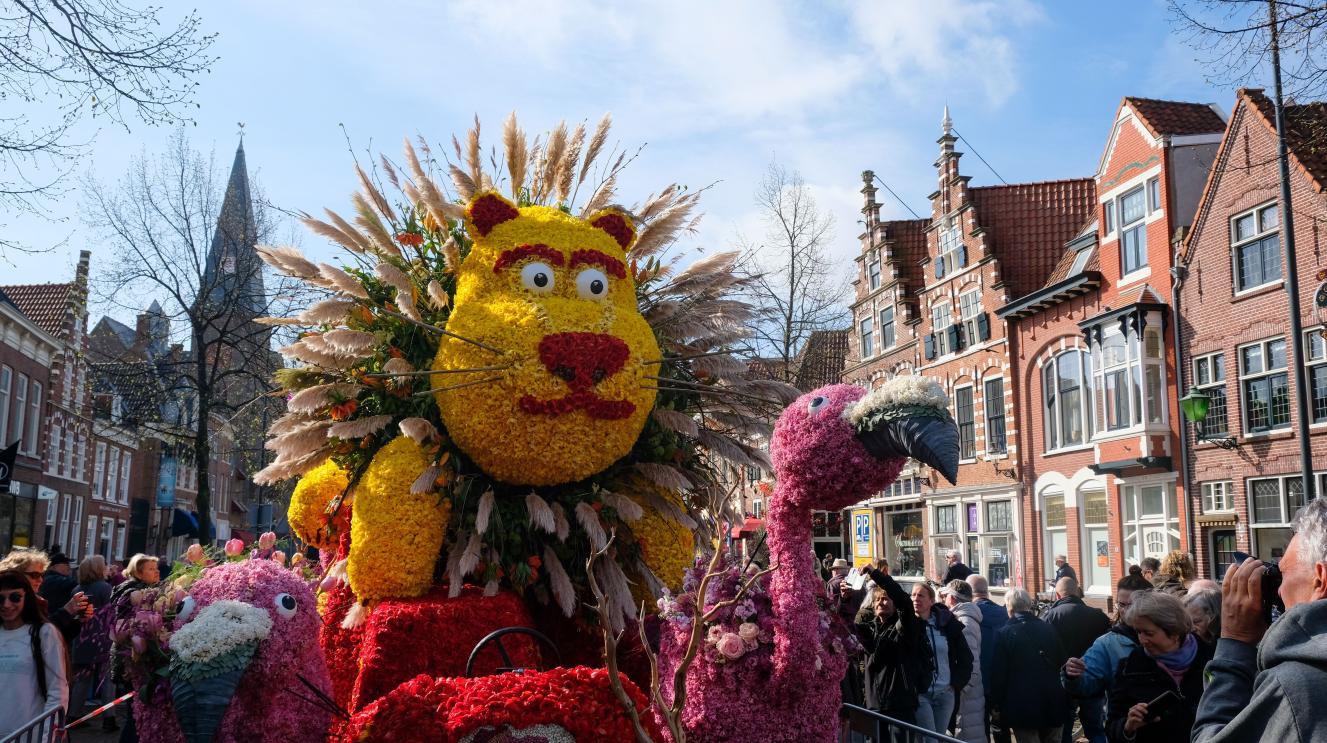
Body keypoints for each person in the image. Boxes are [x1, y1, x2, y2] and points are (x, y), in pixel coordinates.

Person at [1192, 497, 1327, 741]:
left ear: (1320, 578)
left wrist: (1234, 644)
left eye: (1282, 574)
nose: (1277, 591)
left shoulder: (1294, 688)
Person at [1103, 589, 1211, 743]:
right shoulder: (1131, 668)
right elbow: (1112, 728)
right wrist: (1128, 727)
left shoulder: (1212, 661)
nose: (1142, 640)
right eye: (1138, 632)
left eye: (1149, 633)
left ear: (1174, 632)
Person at [854, 567, 929, 736]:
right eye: (878, 600)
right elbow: (846, 625)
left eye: (886, 599)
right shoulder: (868, 631)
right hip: (873, 707)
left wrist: (876, 575)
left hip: (899, 707)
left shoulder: (904, 628)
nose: (881, 602)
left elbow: (904, 602)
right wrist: (844, 600)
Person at [1061, 566, 1153, 702]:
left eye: (1132, 605)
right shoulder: (1107, 643)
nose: (1126, 610)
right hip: (1125, 718)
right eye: (1121, 605)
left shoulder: (1167, 632)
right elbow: (1086, 685)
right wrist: (1072, 675)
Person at [989, 587, 1067, 743]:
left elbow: (999, 674)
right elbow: (1062, 662)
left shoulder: (1004, 634)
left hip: (1022, 706)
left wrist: (995, 704)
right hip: (1053, 701)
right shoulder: (1049, 628)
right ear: (1029, 605)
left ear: (1008, 607)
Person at [0, 570, 68, 736]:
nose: (7, 605)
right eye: (0, 598)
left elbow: (57, 690)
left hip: (28, 735)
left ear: (27, 598)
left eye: (15, 597)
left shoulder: (44, 633)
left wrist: (46, 735)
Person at [1042, 577, 1110, 743]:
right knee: (1096, 730)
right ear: (1078, 592)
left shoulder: (1050, 617)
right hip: (1093, 678)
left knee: (1065, 730)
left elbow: (1045, 651)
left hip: (1064, 682)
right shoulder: (1098, 616)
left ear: (1058, 595)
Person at [911, 582, 973, 738]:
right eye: (913, 595)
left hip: (945, 694)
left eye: (920, 595)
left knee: (938, 738)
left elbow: (966, 658)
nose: (915, 599)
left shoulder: (946, 623)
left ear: (931, 601)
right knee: (929, 739)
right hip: (921, 695)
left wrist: (954, 685)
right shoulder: (909, 625)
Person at [110, 554, 160, 743]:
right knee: (136, 712)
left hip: (134, 656)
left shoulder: (138, 589)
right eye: (150, 569)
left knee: (136, 712)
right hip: (133, 659)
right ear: (138, 572)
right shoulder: (132, 593)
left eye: (157, 568)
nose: (156, 572)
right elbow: (130, 627)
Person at [0, 548, 88, 644]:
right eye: (34, 575)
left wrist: (79, 621)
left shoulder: (38, 602)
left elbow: (53, 639)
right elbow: (36, 634)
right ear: (17, 574)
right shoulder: (9, 602)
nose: (40, 580)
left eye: (41, 575)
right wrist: (67, 610)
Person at [72, 556, 117, 731]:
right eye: (104, 565)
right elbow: (112, 612)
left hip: (82, 639)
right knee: (107, 680)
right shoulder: (105, 588)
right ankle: (109, 719)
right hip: (102, 640)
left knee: (82, 679)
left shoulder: (76, 589)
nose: (106, 567)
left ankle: (74, 715)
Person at [940, 580, 984, 743]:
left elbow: (971, 664)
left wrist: (955, 692)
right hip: (968, 696)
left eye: (945, 596)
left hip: (965, 699)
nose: (943, 599)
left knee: (967, 736)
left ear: (952, 598)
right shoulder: (965, 618)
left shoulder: (964, 622)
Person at [967, 574, 1009, 742]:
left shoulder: (969, 618)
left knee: (980, 726)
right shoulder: (1005, 614)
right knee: (1001, 725)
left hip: (979, 683)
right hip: (1002, 681)